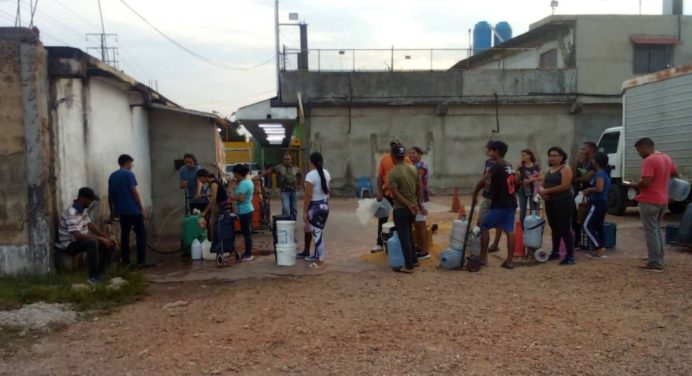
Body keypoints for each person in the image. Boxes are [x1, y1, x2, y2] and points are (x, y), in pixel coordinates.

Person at [628, 138, 678, 273]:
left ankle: (655, 263)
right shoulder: (666, 157)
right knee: (657, 230)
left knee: (651, 231)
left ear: (645, 147)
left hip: (649, 200)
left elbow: (647, 182)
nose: (639, 153)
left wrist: (634, 185)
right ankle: (658, 258)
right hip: (663, 199)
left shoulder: (649, 160)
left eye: (639, 150)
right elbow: (675, 174)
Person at [471, 140, 516, 269]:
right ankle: (509, 260)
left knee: (484, 226)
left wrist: (475, 193)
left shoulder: (496, 165)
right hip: (511, 202)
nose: (489, 153)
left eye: (490, 151)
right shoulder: (509, 166)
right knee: (509, 230)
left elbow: (484, 180)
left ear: (496, 151)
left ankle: (483, 257)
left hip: (500, 203)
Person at [56, 187, 116, 284]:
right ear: (83, 199)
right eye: (90, 200)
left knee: (110, 243)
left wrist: (106, 238)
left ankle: (101, 273)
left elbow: (90, 225)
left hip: (78, 241)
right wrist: (100, 238)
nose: (91, 202)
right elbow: (77, 236)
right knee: (92, 242)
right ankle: (93, 277)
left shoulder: (82, 211)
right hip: (69, 244)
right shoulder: (71, 213)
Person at [108, 154, 153, 268]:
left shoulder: (112, 176)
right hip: (133, 210)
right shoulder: (129, 174)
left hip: (121, 211)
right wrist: (141, 209)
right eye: (131, 163)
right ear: (127, 162)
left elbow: (110, 195)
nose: (132, 166)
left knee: (125, 236)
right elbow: (134, 192)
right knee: (141, 235)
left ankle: (126, 261)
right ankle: (141, 261)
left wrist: (112, 211)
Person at [388, 144, 427, 273]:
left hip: (401, 209)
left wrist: (407, 204)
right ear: (404, 155)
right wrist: (419, 204)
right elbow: (420, 187)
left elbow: (396, 193)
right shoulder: (413, 168)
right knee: (409, 235)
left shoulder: (393, 173)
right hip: (413, 208)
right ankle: (414, 260)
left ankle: (408, 266)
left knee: (404, 237)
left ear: (393, 156)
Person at [372, 137, 412, 253]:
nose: (394, 146)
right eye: (392, 145)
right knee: (382, 218)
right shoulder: (384, 159)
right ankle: (379, 243)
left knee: (400, 218)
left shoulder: (406, 160)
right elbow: (380, 177)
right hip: (387, 194)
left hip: (401, 194)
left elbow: (411, 176)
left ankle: (401, 242)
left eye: (396, 145)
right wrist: (379, 192)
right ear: (390, 146)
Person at [539, 147, 575, 265]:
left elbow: (565, 186)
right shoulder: (549, 170)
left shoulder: (565, 169)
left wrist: (547, 191)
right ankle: (555, 252)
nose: (552, 157)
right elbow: (542, 184)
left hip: (563, 202)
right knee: (554, 227)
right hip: (551, 202)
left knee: (564, 228)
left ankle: (570, 256)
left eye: (555, 155)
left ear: (561, 157)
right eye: (550, 155)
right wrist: (543, 192)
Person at [301, 152, 331, 268]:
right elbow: (328, 191)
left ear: (311, 162)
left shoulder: (310, 175)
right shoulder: (326, 173)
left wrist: (304, 212)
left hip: (314, 206)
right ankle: (316, 255)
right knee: (319, 232)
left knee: (317, 234)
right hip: (324, 205)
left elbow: (308, 195)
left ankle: (320, 260)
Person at [582, 152, 611, 259]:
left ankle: (598, 247)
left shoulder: (600, 174)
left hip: (597, 202)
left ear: (595, 162)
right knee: (598, 226)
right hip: (603, 202)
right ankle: (600, 248)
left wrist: (589, 189)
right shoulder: (605, 173)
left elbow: (599, 188)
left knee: (586, 225)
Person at [196, 169, 232, 252]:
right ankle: (216, 245)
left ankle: (217, 246)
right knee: (213, 225)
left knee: (215, 226)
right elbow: (213, 194)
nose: (200, 181)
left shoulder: (213, 183)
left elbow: (213, 199)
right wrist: (203, 195)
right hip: (219, 205)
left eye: (200, 179)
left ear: (203, 177)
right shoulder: (212, 183)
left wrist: (205, 212)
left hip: (221, 206)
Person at [477, 141, 504, 253]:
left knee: (499, 222)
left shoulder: (502, 164)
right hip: (486, 195)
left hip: (496, 197)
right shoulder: (488, 162)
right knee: (481, 222)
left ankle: (495, 244)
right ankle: (480, 245)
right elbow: (484, 177)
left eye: (488, 149)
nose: (486, 151)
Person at [571, 142, 597, 248]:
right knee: (574, 218)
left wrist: (578, 179)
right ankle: (577, 241)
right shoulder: (580, 162)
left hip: (589, 194)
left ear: (591, 150)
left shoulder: (595, 163)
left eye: (583, 149)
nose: (581, 151)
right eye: (581, 149)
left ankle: (590, 243)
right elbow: (571, 176)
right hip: (578, 193)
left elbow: (588, 178)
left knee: (586, 219)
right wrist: (577, 162)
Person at [407, 146, 431, 259]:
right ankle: (419, 246)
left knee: (421, 224)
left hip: (421, 197)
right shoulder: (410, 166)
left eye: (414, 153)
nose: (411, 155)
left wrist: (420, 203)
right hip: (413, 197)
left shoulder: (421, 166)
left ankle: (425, 250)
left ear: (420, 154)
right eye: (409, 153)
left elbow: (418, 181)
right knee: (416, 224)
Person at [229, 164, 255, 262]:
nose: (234, 176)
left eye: (234, 174)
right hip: (245, 210)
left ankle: (248, 254)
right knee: (246, 233)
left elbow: (241, 199)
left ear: (237, 173)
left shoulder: (244, 184)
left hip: (245, 211)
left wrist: (231, 195)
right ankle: (247, 253)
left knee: (247, 233)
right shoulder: (246, 181)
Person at [516, 148, 542, 226]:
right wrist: (517, 169)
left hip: (533, 190)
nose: (522, 157)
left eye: (524, 155)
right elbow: (516, 179)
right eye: (521, 155)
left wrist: (531, 180)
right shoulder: (521, 166)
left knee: (533, 209)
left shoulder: (535, 166)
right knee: (522, 210)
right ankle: (523, 228)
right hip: (523, 189)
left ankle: (532, 226)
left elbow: (542, 177)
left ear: (529, 156)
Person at [275, 154, 300, 221]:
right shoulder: (279, 167)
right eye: (285, 159)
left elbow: (300, 175)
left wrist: (301, 184)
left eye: (288, 159)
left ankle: (293, 224)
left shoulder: (295, 168)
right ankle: (285, 224)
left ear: (291, 160)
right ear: (283, 160)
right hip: (284, 192)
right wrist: (260, 176)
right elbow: (270, 171)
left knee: (294, 209)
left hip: (294, 191)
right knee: (286, 208)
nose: (286, 161)